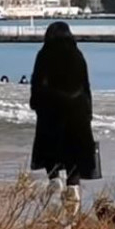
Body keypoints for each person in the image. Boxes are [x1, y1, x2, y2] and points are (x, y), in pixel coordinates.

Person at [29, 21, 97, 206]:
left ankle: (54, 180)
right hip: (77, 110)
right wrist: (88, 110)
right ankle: (73, 185)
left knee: (50, 146)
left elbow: (37, 83)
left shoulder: (44, 54)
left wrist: (36, 104)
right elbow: (85, 85)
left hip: (51, 109)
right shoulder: (77, 55)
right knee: (74, 147)